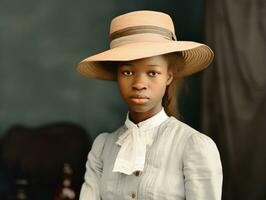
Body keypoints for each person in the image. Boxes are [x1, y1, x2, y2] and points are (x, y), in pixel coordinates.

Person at [77, 10, 223, 200]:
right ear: (117, 76)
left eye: (153, 73)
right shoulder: (103, 147)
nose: (139, 84)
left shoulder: (193, 146)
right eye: (127, 72)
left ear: (168, 76)